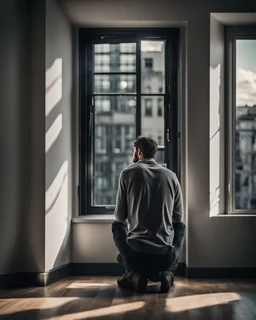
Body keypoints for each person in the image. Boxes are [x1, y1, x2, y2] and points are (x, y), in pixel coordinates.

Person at [112, 135, 185, 293]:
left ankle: (134, 275)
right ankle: (165, 274)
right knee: (180, 226)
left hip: (136, 256)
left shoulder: (127, 173)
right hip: (165, 257)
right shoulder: (171, 176)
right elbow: (178, 219)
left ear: (138, 151)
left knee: (117, 227)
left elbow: (119, 218)